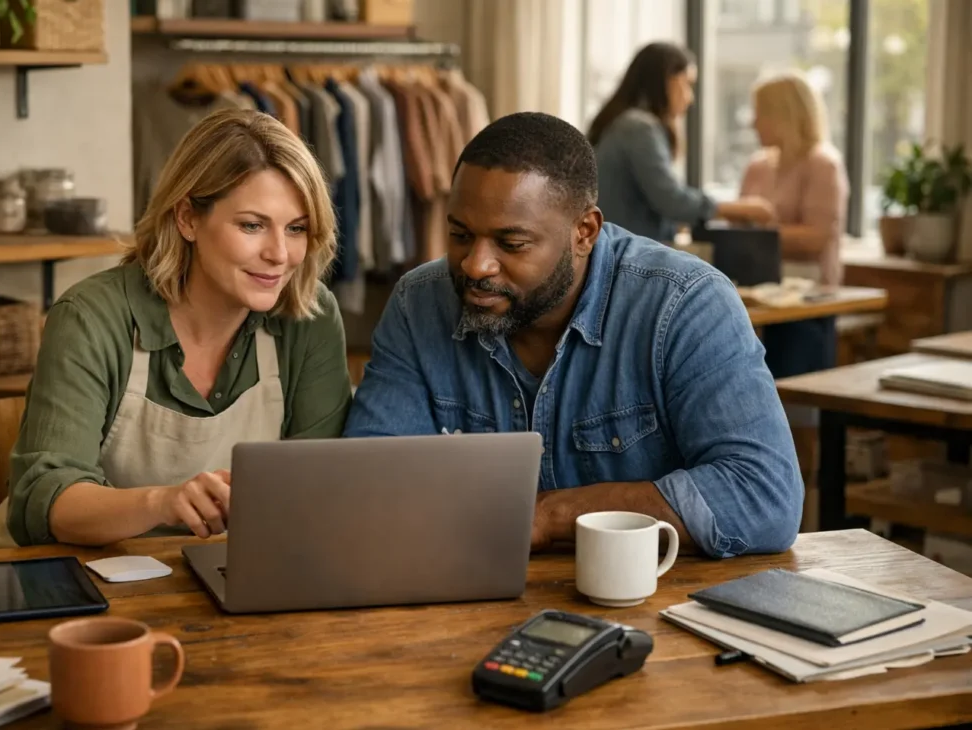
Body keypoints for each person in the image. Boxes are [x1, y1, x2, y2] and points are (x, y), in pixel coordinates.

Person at [343, 111, 803, 559]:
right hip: (467, 604)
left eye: (511, 243)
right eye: (460, 235)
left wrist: (547, 516)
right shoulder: (418, 302)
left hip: (655, 613)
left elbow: (764, 495)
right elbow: (367, 486)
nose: (475, 265)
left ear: (584, 232)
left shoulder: (685, 304)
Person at [0, 108, 353, 550]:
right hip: (64, 573)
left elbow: (318, 484)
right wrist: (163, 503)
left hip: (209, 575)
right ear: (187, 218)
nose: (280, 254)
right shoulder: (91, 316)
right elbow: (45, 501)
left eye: (297, 229)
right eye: (252, 225)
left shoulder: (309, 316)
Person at [588, 41, 775, 243]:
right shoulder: (639, 128)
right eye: (687, 83)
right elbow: (670, 199)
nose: (690, 98)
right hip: (624, 254)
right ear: (666, 79)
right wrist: (738, 209)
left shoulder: (623, 124)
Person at [740, 72, 849, 378]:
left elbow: (817, 238)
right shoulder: (757, 165)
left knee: (792, 385)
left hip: (808, 302)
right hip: (757, 295)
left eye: (760, 113)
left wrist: (760, 228)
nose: (753, 123)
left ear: (783, 115)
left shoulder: (823, 164)